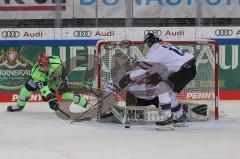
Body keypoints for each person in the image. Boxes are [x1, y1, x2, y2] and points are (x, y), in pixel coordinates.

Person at [115, 33, 197, 129]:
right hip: (188, 67)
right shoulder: (165, 45)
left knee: (161, 88)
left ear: (149, 42)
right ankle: (179, 116)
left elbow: (143, 68)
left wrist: (128, 76)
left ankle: (167, 121)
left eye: (146, 44)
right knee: (169, 91)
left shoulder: (155, 49)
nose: (146, 47)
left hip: (184, 69)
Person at [7, 53, 89, 112]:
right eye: (43, 66)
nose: (46, 67)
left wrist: (53, 94)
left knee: (67, 95)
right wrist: (50, 98)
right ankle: (19, 105)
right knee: (27, 88)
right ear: (39, 65)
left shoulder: (56, 64)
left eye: (47, 64)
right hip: (43, 78)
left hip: (56, 77)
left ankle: (88, 106)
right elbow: (43, 88)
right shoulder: (35, 73)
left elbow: (60, 79)